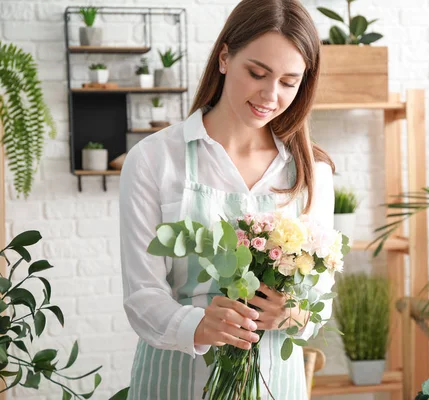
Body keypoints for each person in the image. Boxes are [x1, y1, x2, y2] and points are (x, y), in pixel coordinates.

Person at [119, 0, 336, 398]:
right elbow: (141, 295)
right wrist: (198, 325)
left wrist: (291, 314)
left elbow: (319, 300)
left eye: (289, 82)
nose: (271, 95)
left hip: (275, 385)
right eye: (257, 73)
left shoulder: (310, 173)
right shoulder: (154, 160)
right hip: (174, 384)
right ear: (224, 58)